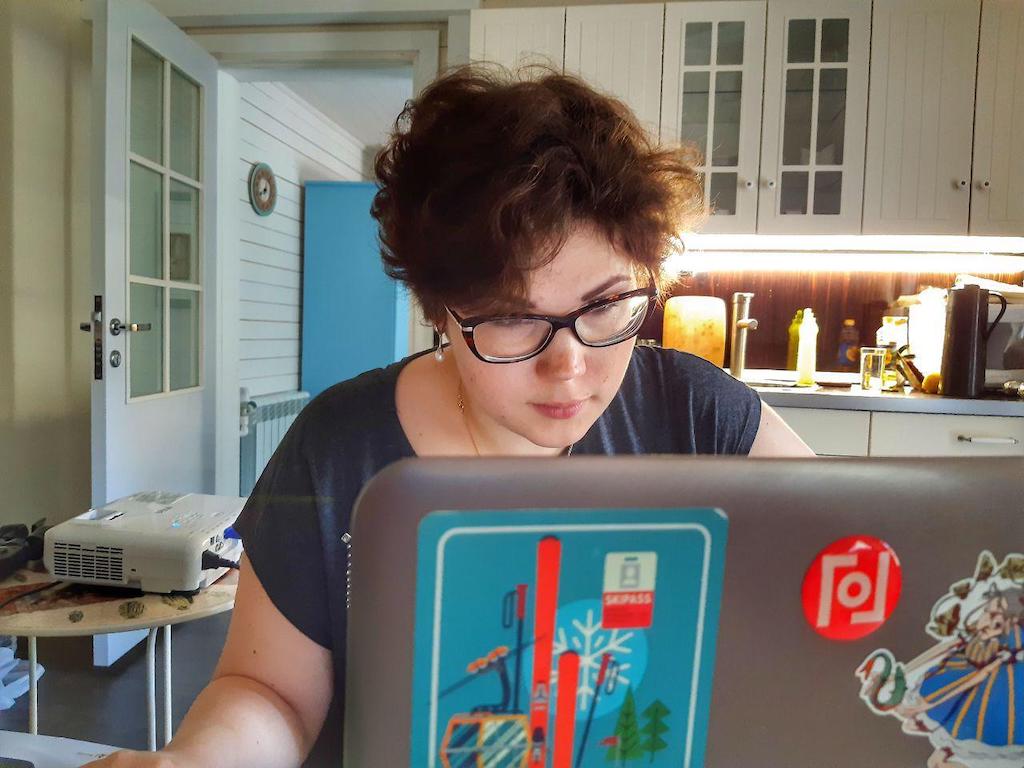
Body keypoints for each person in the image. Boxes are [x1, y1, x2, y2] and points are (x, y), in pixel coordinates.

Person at [86, 64, 812, 768]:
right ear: (439, 313)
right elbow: (271, 691)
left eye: (605, 306)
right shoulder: (339, 449)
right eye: (512, 319)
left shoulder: (697, 414)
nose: (569, 366)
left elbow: (846, 564)